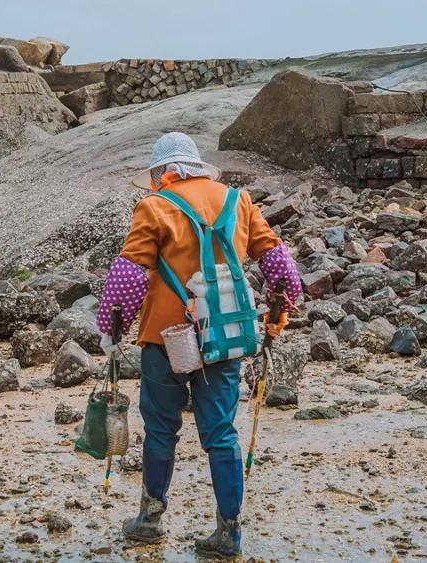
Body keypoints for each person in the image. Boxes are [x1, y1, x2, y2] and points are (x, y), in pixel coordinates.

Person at [95, 132, 301, 557]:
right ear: (196, 166)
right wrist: (280, 313)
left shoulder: (154, 206)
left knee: (160, 429)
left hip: (165, 338)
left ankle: (150, 519)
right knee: (221, 432)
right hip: (225, 335)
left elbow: (130, 275)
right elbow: (277, 262)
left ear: (163, 173)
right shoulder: (238, 201)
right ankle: (229, 532)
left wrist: (110, 330)